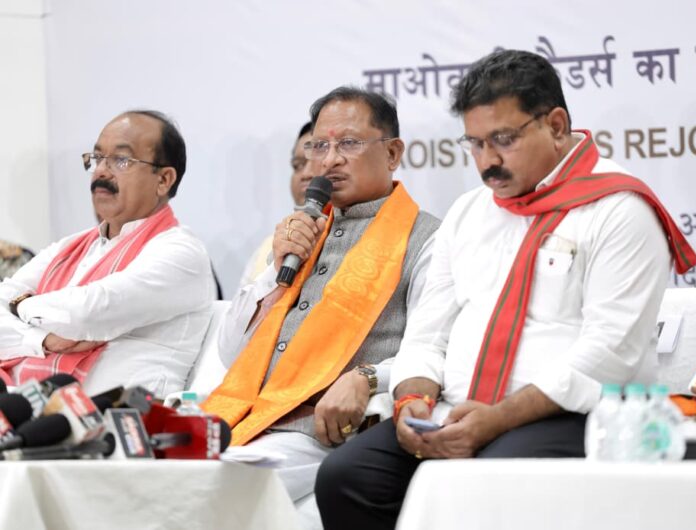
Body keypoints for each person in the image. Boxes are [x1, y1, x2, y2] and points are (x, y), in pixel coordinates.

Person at [315, 50, 696, 529]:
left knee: (486, 484)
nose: (488, 162)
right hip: (453, 410)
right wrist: (411, 403)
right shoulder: (469, 212)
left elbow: (610, 353)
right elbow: (428, 334)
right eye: (475, 143)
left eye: (503, 140)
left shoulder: (619, 209)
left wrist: (496, 420)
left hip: (569, 416)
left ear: (556, 126)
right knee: (347, 477)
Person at [202, 87, 440, 521]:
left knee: (208, 492)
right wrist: (277, 271)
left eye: (348, 143)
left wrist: (368, 377)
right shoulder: (302, 234)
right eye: (319, 146)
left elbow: (433, 347)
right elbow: (231, 352)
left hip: (324, 433)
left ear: (392, 153)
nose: (330, 160)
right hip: (248, 419)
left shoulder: (427, 239)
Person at [0, 110, 215, 397]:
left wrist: (21, 304)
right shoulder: (70, 248)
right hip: (27, 406)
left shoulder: (181, 253)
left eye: (121, 160)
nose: (101, 171)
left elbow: (87, 313)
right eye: (97, 158)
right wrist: (41, 340)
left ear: (164, 179)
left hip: (119, 419)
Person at [238, 122, 313, 287]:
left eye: (316, 162)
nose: (305, 174)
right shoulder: (269, 245)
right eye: (298, 166)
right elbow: (240, 303)